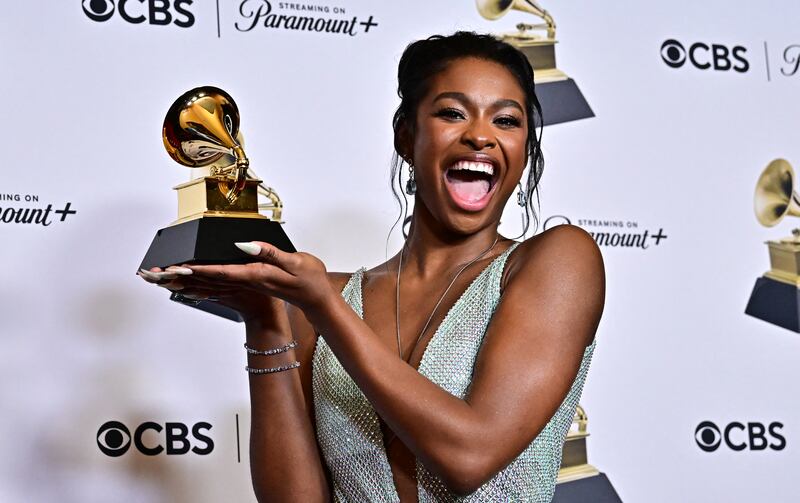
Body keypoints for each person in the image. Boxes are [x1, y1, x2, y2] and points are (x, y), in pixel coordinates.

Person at [139, 31, 605, 503]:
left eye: (506, 120)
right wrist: (264, 322)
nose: (481, 135)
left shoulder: (556, 260)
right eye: (452, 113)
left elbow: (470, 457)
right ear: (407, 136)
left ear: (525, 148)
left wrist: (323, 305)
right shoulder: (319, 300)